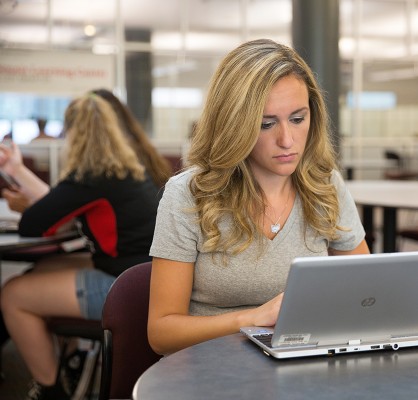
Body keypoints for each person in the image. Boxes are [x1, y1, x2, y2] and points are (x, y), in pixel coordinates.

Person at [147, 38, 370, 356]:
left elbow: (367, 294)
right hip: (215, 367)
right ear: (234, 125)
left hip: (305, 362)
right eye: (266, 124)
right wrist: (253, 319)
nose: (287, 140)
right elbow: (162, 333)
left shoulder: (326, 187)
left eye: (297, 118)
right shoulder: (189, 195)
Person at [0, 93, 160, 400]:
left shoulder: (90, 176)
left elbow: (33, 223)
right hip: (142, 278)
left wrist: (24, 198)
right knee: (43, 270)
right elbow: (55, 204)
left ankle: (51, 390)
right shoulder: (122, 169)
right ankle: (69, 363)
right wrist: (18, 170)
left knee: (13, 294)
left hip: (124, 288)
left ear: (73, 132)